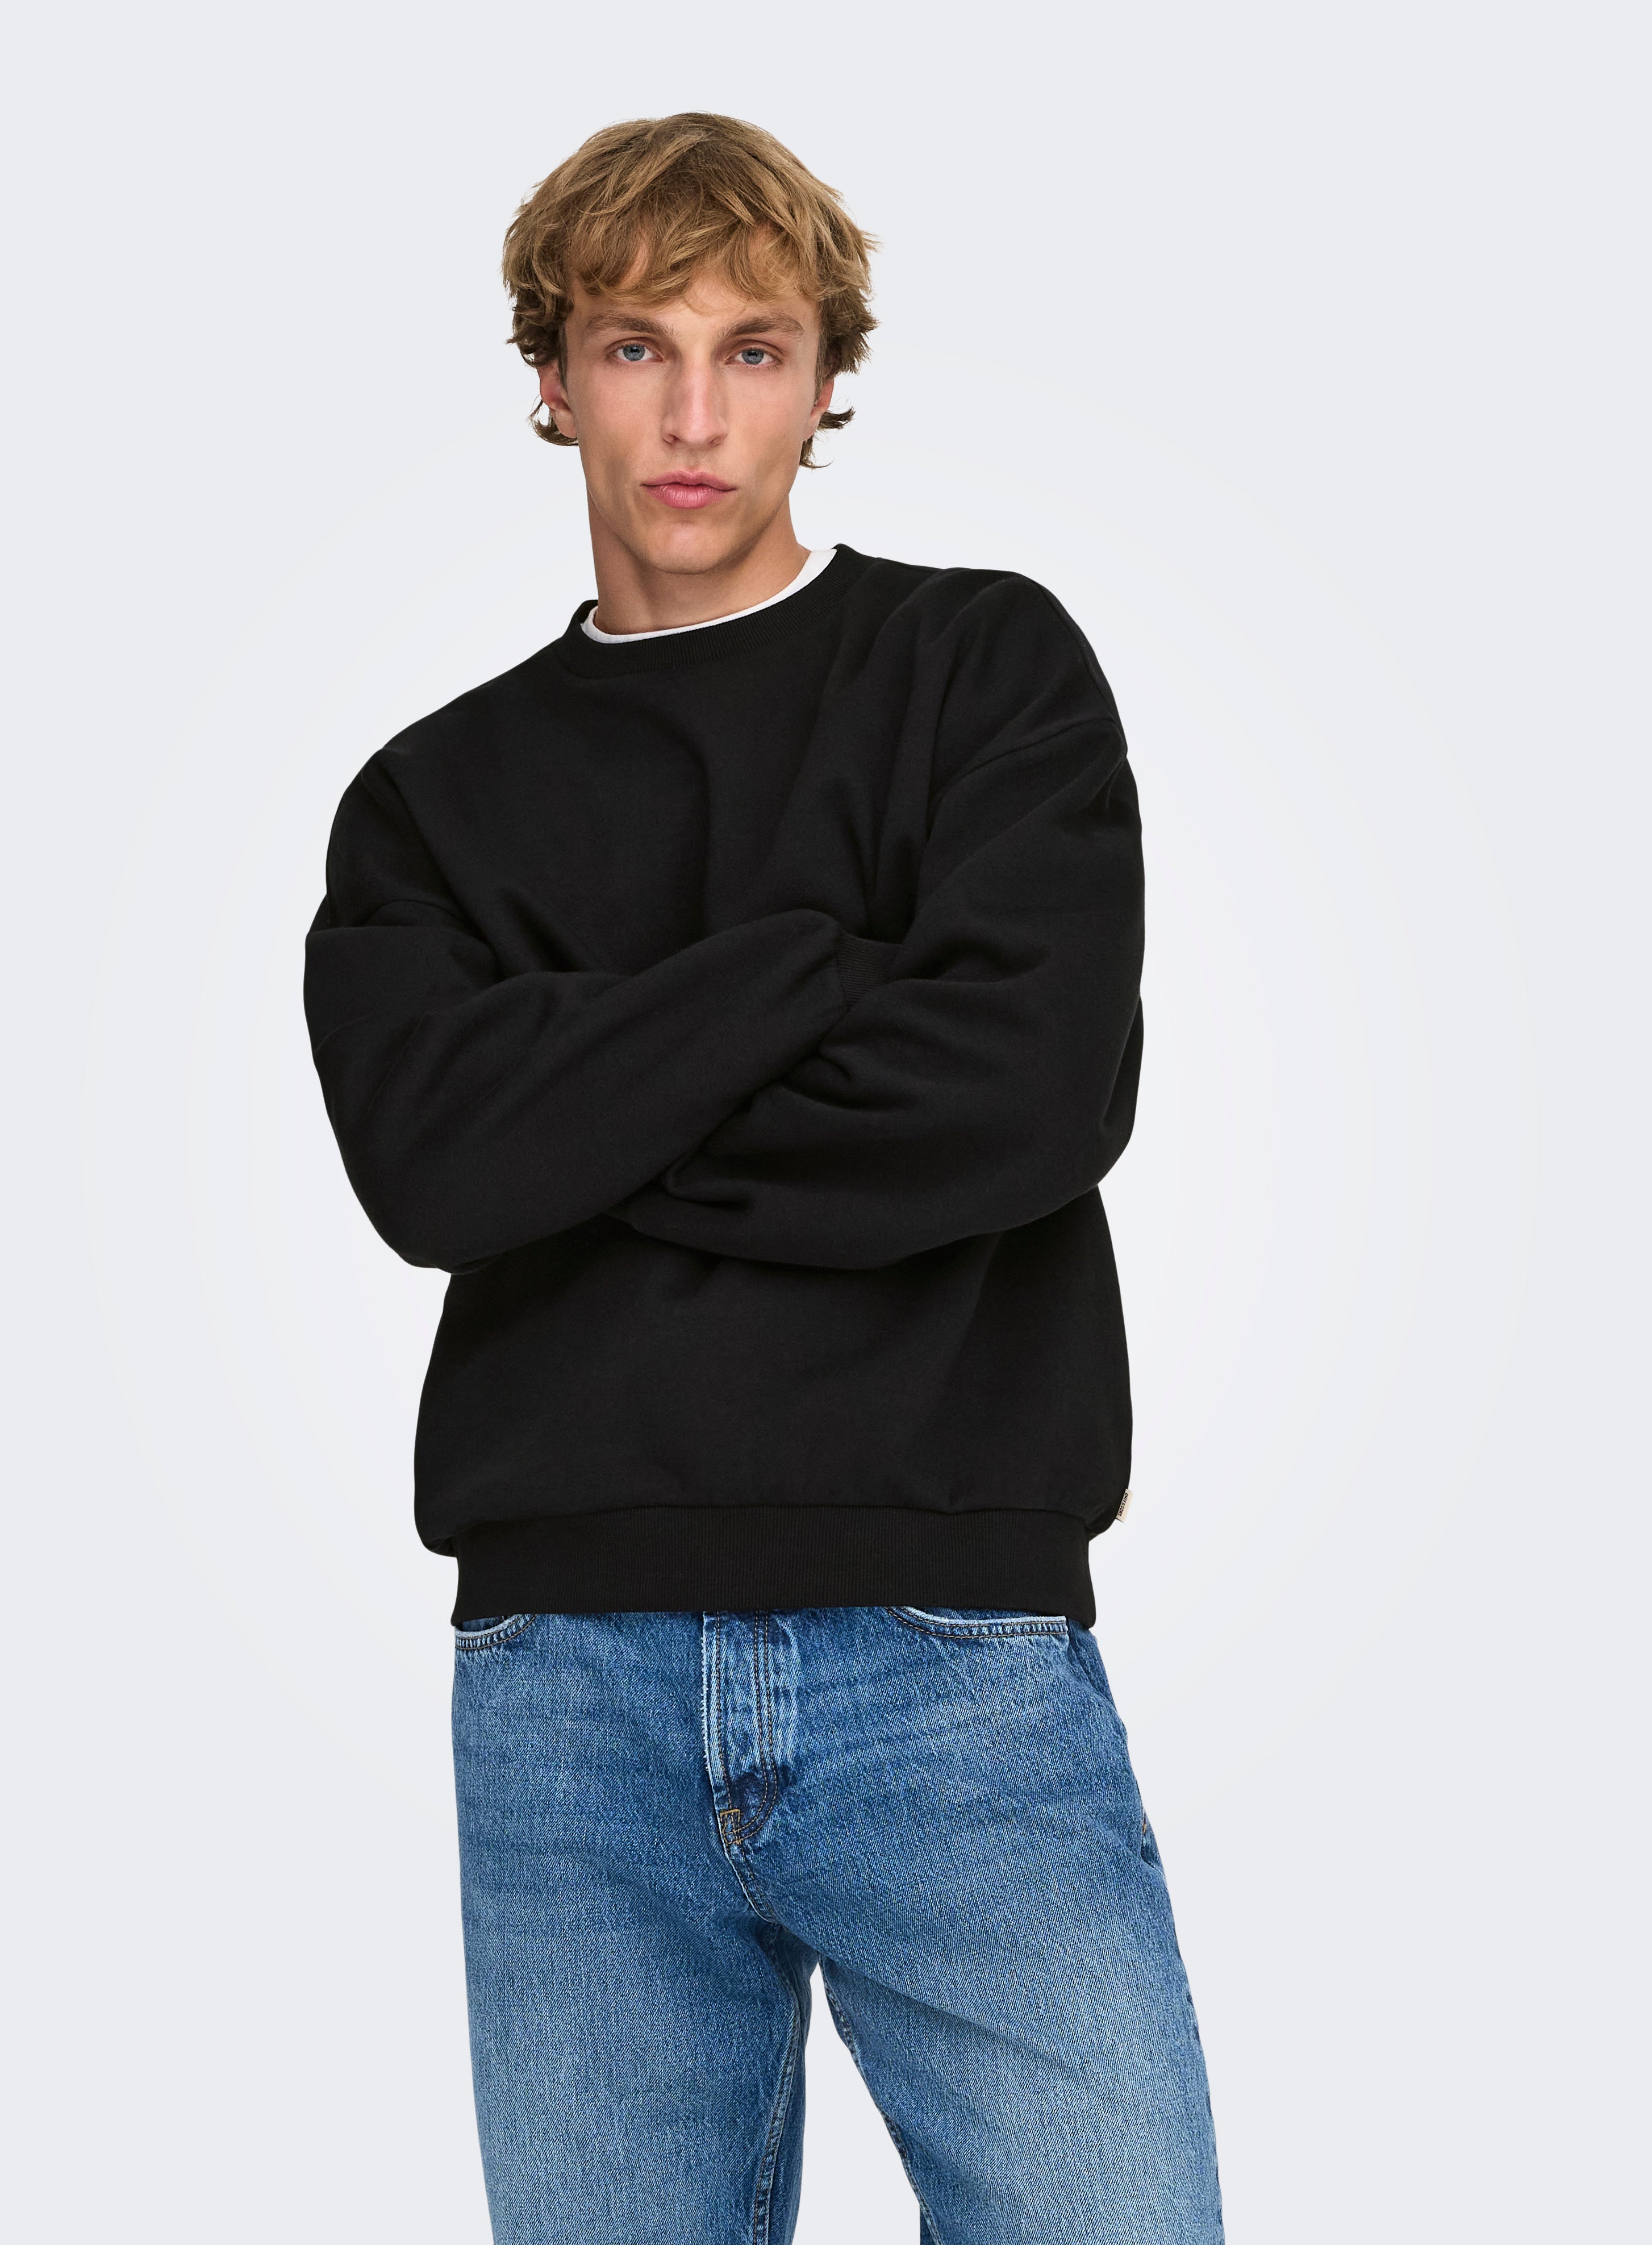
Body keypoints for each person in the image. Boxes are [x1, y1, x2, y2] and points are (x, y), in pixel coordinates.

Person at [305, 110, 1222, 2245]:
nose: (696, 416)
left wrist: (585, 1103)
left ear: (826, 381)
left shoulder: (979, 672)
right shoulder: (432, 798)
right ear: (553, 377)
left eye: (754, 349)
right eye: (638, 347)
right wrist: (810, 961)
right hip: (565, 1673)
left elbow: (1023, 1097)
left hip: (949, 1644)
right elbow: (435, 1164)